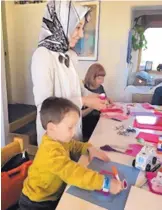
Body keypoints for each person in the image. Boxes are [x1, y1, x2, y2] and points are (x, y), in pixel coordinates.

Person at [19, 97, 123, 210]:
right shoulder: (51, 152)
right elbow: (74, 173)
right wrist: (105, 183)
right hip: (36, 203)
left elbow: (74, 145)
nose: (73, 132)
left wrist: (89, 149)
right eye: (70, 127)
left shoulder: (58, 139)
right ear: (52, 128)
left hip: (51, 195)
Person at [31, 0, 107, 145]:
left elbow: (76, 88)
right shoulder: (42, 56)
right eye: (77, 27)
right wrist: (84, 101)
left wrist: (94, 96)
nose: (81, 34)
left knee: (76, 161)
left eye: (82, 28)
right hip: (54, 138)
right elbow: (45, 105)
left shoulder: (69, 55)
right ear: (61, 24)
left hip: (72, 129)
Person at [82, 63, 112, 140]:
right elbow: (81, 115)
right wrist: (93, 106)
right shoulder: (82, 89)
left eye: (103, 78)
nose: (102, 81)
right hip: (87, 126)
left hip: (100, 121)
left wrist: (107, 101)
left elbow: (104, 102)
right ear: (91, 77)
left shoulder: (100, 88)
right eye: (99, 78)